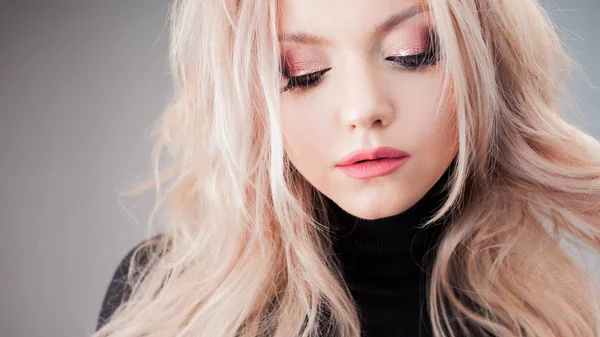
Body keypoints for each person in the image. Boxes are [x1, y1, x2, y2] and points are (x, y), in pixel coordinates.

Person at [92, 0, 600, 336]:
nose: (363, 109)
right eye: (303, 73)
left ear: (485, 62)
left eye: (412, 53)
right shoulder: (167, 304)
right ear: (251, 97)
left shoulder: (549, 318)